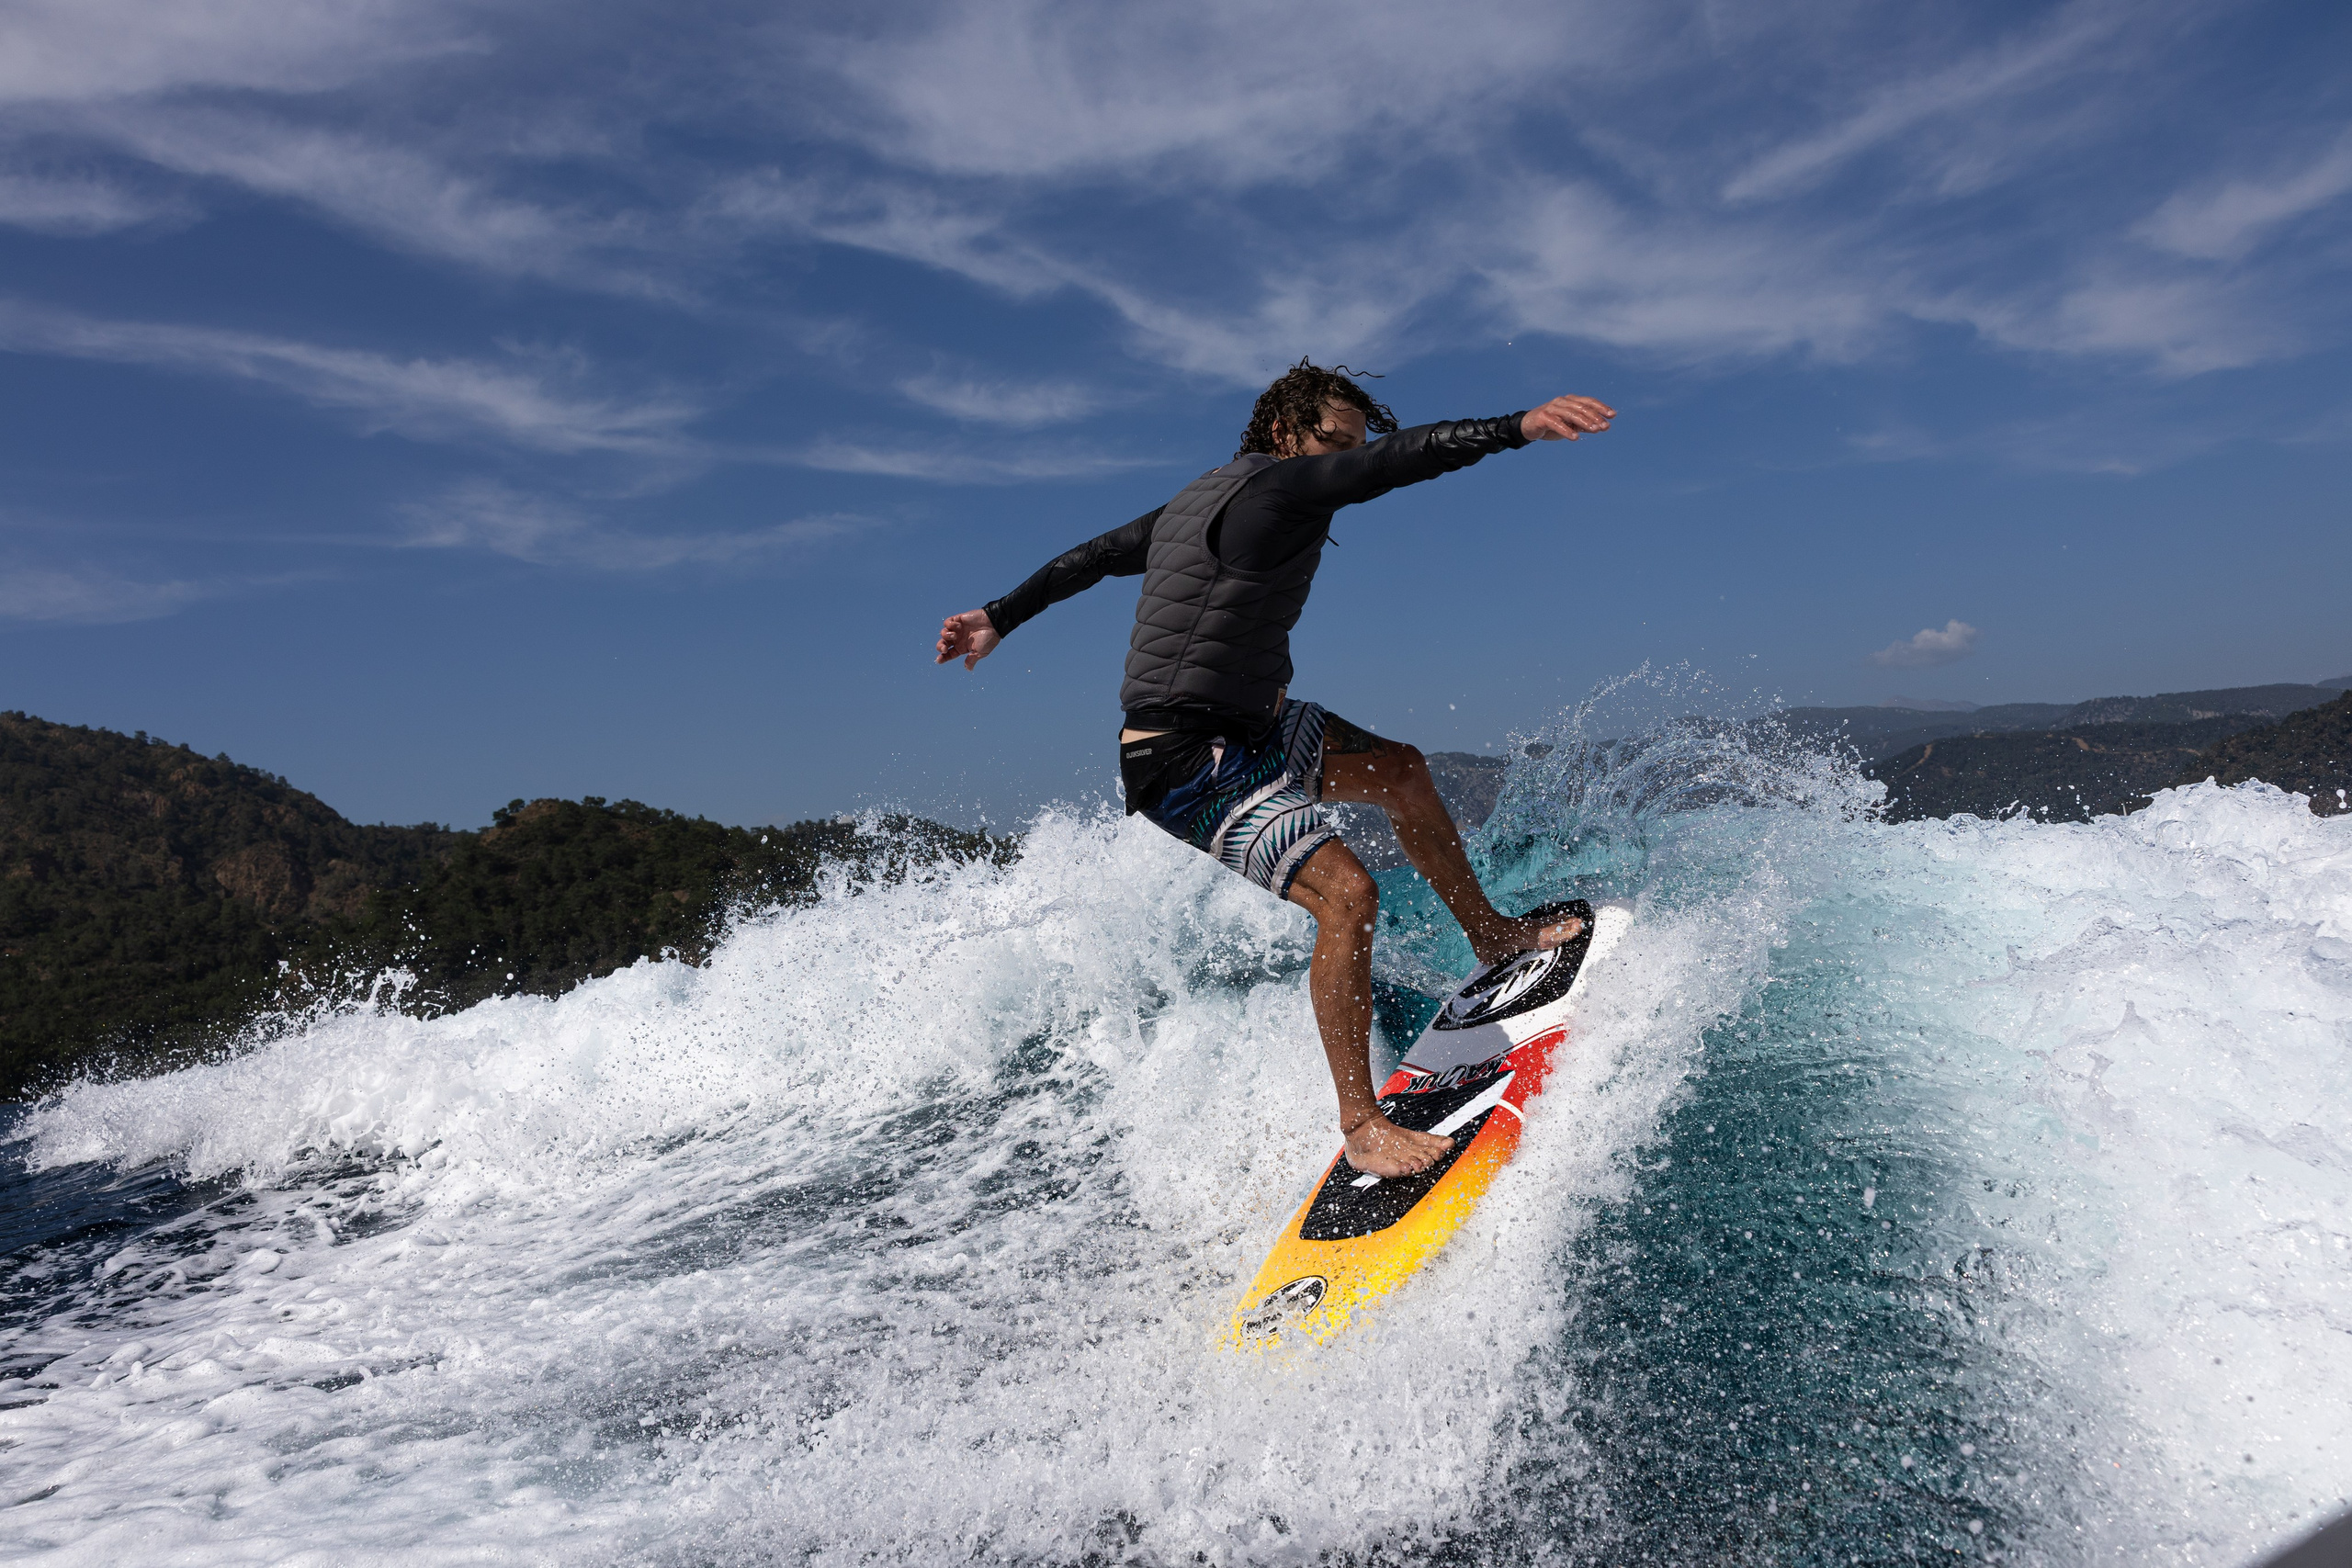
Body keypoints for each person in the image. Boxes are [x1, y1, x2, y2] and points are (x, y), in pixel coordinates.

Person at [934, 360, 1615, 1178]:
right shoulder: (1274, 489)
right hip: (1184, 756)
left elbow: (1090, 557)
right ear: (1284, 434)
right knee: (1350, 894)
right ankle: (1363, 1125)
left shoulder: (1196, 500)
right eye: (1329, 442)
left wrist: (998, 618)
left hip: (1254, 724)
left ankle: (1488, 933)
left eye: (1348, 444)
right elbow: (1391, 464)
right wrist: (1517, 427)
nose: (1340, 458)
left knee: (1402, 771)